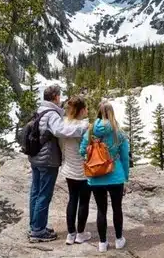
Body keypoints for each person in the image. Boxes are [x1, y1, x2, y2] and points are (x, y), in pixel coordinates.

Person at [28, 84, 89, 243]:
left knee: (35, 192)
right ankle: (38, 231)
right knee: (44, 194)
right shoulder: (52, 114)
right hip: (47, 159)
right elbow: (61, 131)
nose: (60, 99)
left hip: (36, 157)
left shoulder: (40, 110)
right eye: (59, 96)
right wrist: (83, 127)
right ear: (55, 97)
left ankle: (35, 225)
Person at [80, 101, 130, 252]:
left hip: (96, 177)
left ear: (98, 112)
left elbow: (82, 151)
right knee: (117, 208)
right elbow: (125, 158)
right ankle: (119, 239)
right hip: (115, 176)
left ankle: (102, 243)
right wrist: (126, 177)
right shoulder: (118, 133)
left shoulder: (90, 131)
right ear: (112, 113)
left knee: (101, 210)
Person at [60, 96, 92, 245]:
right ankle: (80, 234)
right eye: (86, 108)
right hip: (84, 169)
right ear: (82, 110)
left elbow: (61, 145)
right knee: (84, 201)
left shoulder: (64, 125)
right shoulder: (85, 126)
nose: (87, 111)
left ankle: (70, 234)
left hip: (69, 168)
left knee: (72, 199)